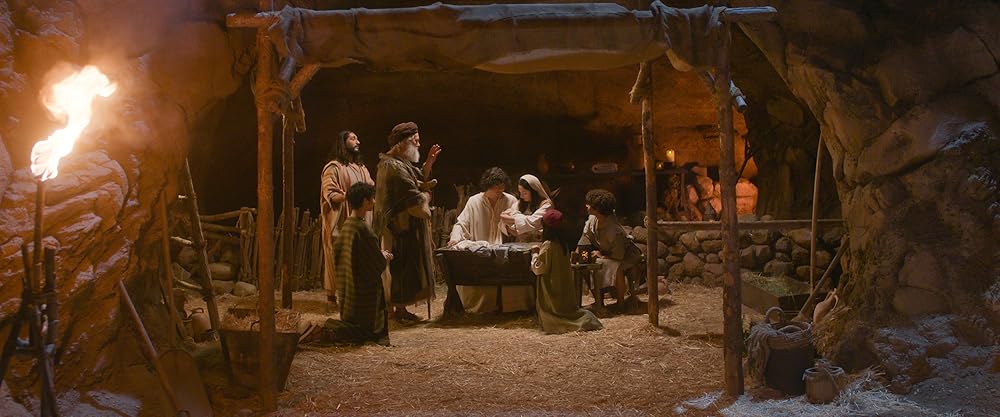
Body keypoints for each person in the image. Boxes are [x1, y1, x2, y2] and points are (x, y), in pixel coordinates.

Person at [308, 182, 392, 345]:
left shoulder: (347, 226)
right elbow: (374, 263)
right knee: (365, 332)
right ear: (365, 201)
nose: (374, 202)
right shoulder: (363, 230)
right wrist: (383, 256)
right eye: (372, 198)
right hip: (363, 300)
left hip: (348, 296)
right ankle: (330, 330)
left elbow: (350, 256)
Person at [373, 122, 441, 321]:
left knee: (404, 267)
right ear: (403, 142)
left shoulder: (400, 163)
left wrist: (429, 162)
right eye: (415, 141)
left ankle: (400, 309)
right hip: (396, 227)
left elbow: (417, 177)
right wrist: (425, 197)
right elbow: (411, 193)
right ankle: (393, 310)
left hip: (403, 227)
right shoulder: (392, 167)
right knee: (397, 267)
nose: (418, 145)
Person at [447, 167, 531, 313]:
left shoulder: (510, 200)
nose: (500, 190)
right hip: (482, 252)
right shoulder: (474, 201)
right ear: (488, 186)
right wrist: (455, 237)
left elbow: (518, 222)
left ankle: (510, 305)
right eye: (496, 187)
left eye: (502, 187)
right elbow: (462, 223)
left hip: (504, 252)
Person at [320, 130, 375, 310]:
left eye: (357, 138)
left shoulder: (361, 168)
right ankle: (331, 297)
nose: (358, 141)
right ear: (343, 143)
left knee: (359, 256)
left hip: (361, 219)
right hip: (341, 220)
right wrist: (350, 196)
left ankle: (354, 295)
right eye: (353, 138)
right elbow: (329, 192)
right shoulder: (333, 167)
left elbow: (370, 187)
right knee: (337, 255)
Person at [530, 209, 603, 334]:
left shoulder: (548, 245)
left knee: (557, 314)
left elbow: (539, 268)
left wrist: (535, 253)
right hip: (562, 287)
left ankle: (582, 322)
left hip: (552, 288)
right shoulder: (562, 244)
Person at [578, 189, 643, 311]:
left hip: (626, 255)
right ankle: (599, 301)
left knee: (614, 267)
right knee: (587, 267)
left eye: (590, 204)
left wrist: (601, 255)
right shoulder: (593, 219)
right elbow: (586, 235)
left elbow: (618, 255)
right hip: (607, 253)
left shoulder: (613, 230)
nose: (586, 206)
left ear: (597, 209)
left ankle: (620, 304)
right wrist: (582, 249)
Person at [501, 174, 553, 242]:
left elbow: (534, 222)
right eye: (520, 192)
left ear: (534, 191)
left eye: (525, 193)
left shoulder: (546, 205)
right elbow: (503, 220)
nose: (521, 196)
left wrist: (515, 218)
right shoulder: (520, 203)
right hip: (520, 243)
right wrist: (516, 232)